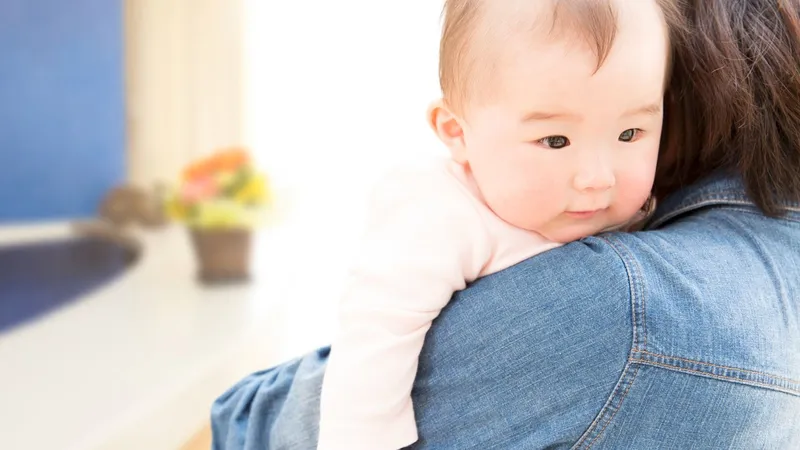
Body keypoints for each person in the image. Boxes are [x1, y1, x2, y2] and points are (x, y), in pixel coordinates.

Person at [211, 0, 800, 448]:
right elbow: (372, 352)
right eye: (554, 139)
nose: (596, 176)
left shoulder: (643, 218)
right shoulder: (432, 217)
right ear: (457, 134)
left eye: (630, 133)